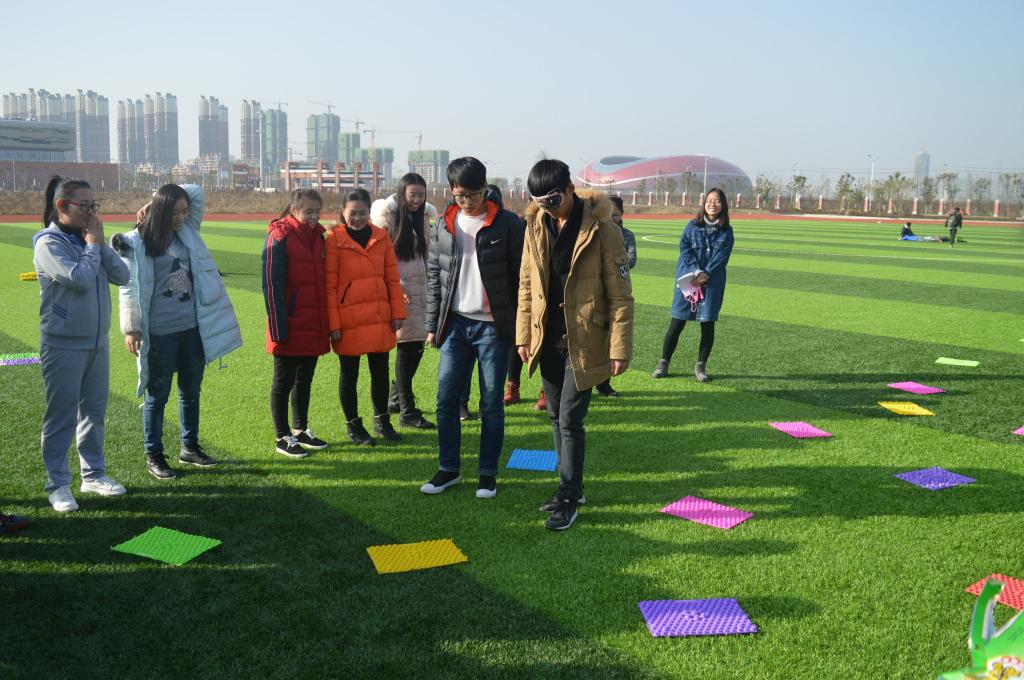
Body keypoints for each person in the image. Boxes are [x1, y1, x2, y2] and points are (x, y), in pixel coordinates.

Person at [516, 159, 634, 530]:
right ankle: (572, 486)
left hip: (585, 338)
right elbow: (526, 285)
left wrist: (619, 348)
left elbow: (621, 295)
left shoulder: (603, 229)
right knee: (555, 415)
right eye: (539, 201)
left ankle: (568, 496)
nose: (547, 207)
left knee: (569, 418)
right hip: (547, 336)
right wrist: (523, 335)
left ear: (570, 189)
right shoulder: (536, 225)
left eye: (553, 199)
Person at [114, 184, 242, 479]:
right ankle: (154, 454)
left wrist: (155, 200)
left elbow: (196, 192)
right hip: (159, 333)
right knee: (157, 395)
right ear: (162, 212)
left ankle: (190, 447)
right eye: (174, 212)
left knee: (191, 391)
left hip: (192, 329)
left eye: (184, 211)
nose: (182, 217)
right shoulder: (138, 242)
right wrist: (131, 328)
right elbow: (129, 288)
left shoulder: (188, 232)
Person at [420, 157, 523, 499]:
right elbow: (434, 277)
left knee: (491, 403)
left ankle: (487, 474)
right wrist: (433, 325)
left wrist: (518, 326)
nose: (467, 201)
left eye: (474, 194)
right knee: (445, 400)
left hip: (493, 328)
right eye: (460, 194)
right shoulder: (444, 224)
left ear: (485, 188)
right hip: (455, 325)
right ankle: (448, 469)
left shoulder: (508, 224)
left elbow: (521, 279)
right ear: (451, 190)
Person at [33, 176, 130, 512]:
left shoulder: (90, 239)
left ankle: (93, 475)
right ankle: (58, 484)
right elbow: (80, 278)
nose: (91, 212)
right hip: (63, 344)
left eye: (94, 205)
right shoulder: (49, 243)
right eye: (84, 206)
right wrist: (92, 246)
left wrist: (99, 245)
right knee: (61, 416)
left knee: (93, 412)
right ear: (62, 206)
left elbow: (122, 276)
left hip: (96, 342)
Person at [326, 188, 406, 446]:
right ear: (343, 212)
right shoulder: (333, 239)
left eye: (362, 213)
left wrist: (398, 312)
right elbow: (329, 285)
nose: (358, 218)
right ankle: (354, 426)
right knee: (349, 375)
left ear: (369, 212)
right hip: (347, 319)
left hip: (378, 315)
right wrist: (333, 323)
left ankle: (382, 421)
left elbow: (392, 278)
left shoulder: (381, 237)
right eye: (353, 213)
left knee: (380, 372)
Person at [262, 188, 332, 458]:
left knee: (305, 379)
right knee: (283, 382)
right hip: (288, 324)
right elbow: (271, 285)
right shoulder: (279, 236)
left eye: (317, 212)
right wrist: (278, 327)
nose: (313, 217)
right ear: (294, 210)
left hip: (312, 322)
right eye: (308, 212)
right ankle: (282, 436)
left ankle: (300, 429)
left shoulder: (318, 237)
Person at [652, 188, 735, 383]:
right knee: (677, 322)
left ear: (723, 205)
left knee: (707, 323)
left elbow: (722, 257)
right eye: (709, 200)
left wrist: (706, 273)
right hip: (688, 279)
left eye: (717, 201)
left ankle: (700, 365)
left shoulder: (727, 231)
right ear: (704, 203)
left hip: (712, 282)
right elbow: (685, 249)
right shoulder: (692, 226)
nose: (712, 204)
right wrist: (696, 271)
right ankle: (663, 363)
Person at [375, 174, 437, 430]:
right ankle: (407, 410)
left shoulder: (423, 218)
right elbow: (379, 255)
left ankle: (395, 398)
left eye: (421, 195)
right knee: (407, 347)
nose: (416, 200)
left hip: (422, 288)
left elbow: (427, 252)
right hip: (402, 289)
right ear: (402, 194)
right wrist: (396, 286)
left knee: (417, 346)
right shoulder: (387, 218)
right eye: (412, 195)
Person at [594, 195, 636, 397]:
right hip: (594, 290)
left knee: (612, 337)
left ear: (622, 215)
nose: (612, 218)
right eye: (609, 213)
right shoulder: (595, 230)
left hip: (616, 288)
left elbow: (631, 259)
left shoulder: (627, 235)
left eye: (616, 214)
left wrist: (614, 263)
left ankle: (604, 383)